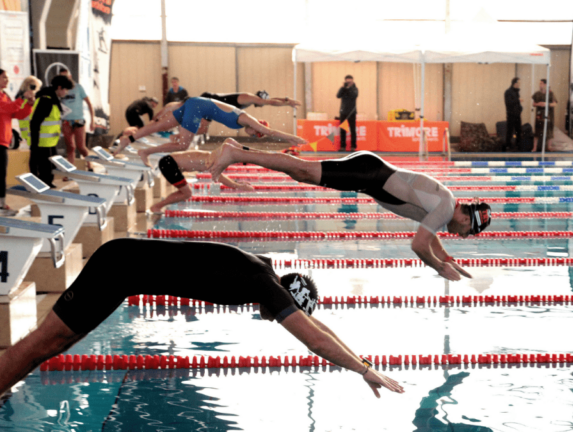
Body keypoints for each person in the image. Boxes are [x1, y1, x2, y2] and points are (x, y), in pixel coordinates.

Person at [0, 238, 405, 398]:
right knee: (46, 343)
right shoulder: (265, 287)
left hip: (122, 266)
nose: (281, 319)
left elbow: (319, 330)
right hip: (118, 266)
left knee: (55, 344)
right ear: (287, 298)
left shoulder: (265, 273)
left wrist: (363, 360)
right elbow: (314, 340)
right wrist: (363, 370)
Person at [206, 143, 492, 281]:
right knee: (303, 169)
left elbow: (429, 238)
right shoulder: (443, 210)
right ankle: (236, 153)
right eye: (468, 231)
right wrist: (438, 267)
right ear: (466, 218)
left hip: (371, 171)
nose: (463, 235)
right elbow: (418, 245)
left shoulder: (443, 207)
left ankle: (240, 152)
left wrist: (448, 259)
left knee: (302, 173)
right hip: (369, 174)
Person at [111, 97, 306, 166]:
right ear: (256, 129)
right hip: (197, 108)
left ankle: (127, 140)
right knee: (182, 145)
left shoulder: (242, 121)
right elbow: (269, 131)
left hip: (196, 103)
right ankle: (145, 151)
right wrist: (292, 138)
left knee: (158, 125)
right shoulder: (248, 119)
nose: (253, 134)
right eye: (255, 134)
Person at [150, 146, 254, 213]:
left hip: (168, 162)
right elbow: (219, 177)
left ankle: (158, 206)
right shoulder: (215, 159)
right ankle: (156, 207)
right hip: (170, 165)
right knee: (187, 193)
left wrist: (237, 183)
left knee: (185, 192)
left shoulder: (217, 154)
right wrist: (238, 186)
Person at [0, 69, 35, 215]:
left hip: (3, 141)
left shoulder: (4, 95)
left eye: (7, 78)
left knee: (2, 174)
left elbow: (16, 114)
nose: (7, 80)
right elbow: (5, 109)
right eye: (4, 77)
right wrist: (21, 98)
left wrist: (28, 104)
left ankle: (2, 205)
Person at [29, 75, 74, 188]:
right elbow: (35, 122)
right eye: (65, 89)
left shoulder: (52, 99)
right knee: (43, 166)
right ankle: (43, 185)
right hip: (41, 141)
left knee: (49, 166)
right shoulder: (46, 100)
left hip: (49, 141)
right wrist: (35, 144)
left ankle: (47, 183)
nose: (66, 92)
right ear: (59, 87)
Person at [58, 68, 96, 166]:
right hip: (66, 121)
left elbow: (89, 103)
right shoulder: (59, 89)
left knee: (81, 147)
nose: (64, 79)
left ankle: (90, 164)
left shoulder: (78, 87)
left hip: (78, 120)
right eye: (62, 77)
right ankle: (70, 171)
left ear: (70, 76)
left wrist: (92, 121)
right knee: (70, 147)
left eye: (65, 76)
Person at [14, 76, 42, 147]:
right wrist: (30, 104)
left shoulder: (33, 98)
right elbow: (20, 115)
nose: (37, 90)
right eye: (35, 87)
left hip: (34, 132)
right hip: (29, 132)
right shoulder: (21, 99)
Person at [199, 91, 301, 110]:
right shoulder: (250, 98)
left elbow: (271, 100)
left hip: (212, 103)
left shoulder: (251, 100)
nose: (263, 105)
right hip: (208, 100)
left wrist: (286, 99)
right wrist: (287, 103)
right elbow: (271, 102)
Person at [532, 79, 557, 153]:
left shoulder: (551, 93)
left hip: (549, 115)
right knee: (537, 131)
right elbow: (533, 104)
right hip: (539, 116)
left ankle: (549, 147)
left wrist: (546, 104)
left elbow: (554, 104)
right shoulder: (537, 94)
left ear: (545, 85)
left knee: (549, 131)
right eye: (539, 83)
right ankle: (534, 147)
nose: (540, 85)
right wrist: (538, 104)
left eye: (542, 83)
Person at [336, 75, 358, 152]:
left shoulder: (355, 89)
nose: (348, 83)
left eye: (350, 81)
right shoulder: (343, 89)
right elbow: (338, 96)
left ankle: (353, 146)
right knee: (343, 130)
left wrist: (349, 88)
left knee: (352, 130)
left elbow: (354, 96)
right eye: (347, 81)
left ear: (352, 81)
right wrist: (343, 88)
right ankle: (343, 146)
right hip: (344, 112)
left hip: (352, 112)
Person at [504, 77, 523, 152]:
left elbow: (517, 104)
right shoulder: (508, 92)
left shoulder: (516, 92)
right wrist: (517, 100)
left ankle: (519, 146)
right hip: (511, 115)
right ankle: (508, 146)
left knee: (519, 131)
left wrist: (521, 108)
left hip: (517, 114)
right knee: (510, 131)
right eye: (518, 83)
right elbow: (508, 103)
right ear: (515, 83)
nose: (519, 85)